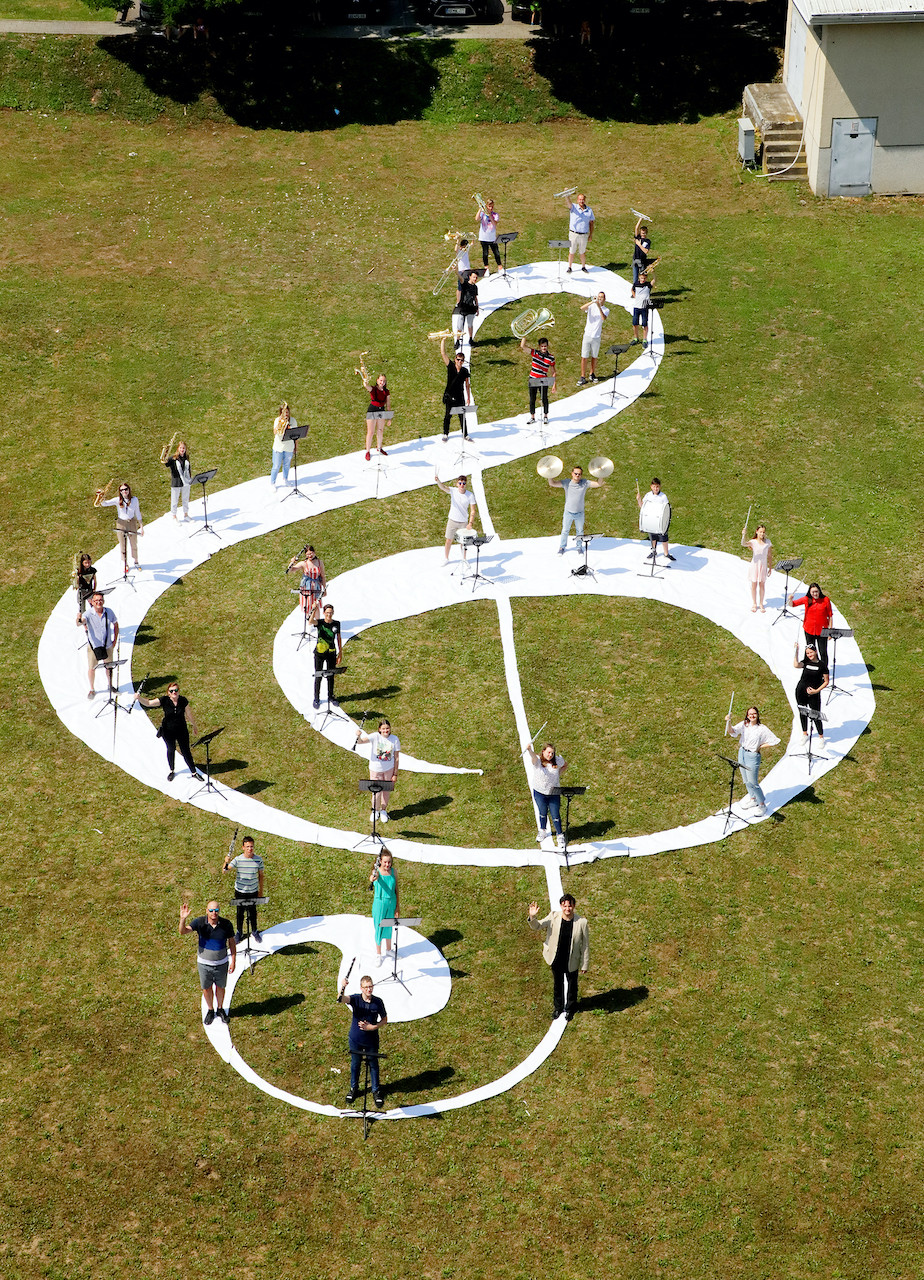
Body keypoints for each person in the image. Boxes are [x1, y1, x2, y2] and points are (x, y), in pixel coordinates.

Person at [527, 894, 590, 1021]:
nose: (567, 909)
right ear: (561, 906)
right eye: (565, 906)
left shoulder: (582, 922)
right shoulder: (553, 916)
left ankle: (571, 1008)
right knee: (558, 984)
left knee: (572, 985)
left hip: (572, 959)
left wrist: (585, 964)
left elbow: (585, 945)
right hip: (556, 957)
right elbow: (537, 926)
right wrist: (532, 917)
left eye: (570, 906)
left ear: (574, 906)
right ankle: (558, 1008)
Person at [179, 899, 236, 1026]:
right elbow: (182, 931)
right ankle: (210, 1010)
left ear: (219, 911)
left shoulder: (226, 924)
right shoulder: (199, 922)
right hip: (204, 964)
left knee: (221, 987)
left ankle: (220, 1009)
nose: (214, 913)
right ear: (207, 911)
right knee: (206, 988)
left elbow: (232, 942)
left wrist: (233, 960)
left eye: (216, 910)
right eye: (211, 910)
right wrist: (183, 919)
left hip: (222, 963)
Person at [134, 680, 203, 782]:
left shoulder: (183, 700)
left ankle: (194, 772)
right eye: (171, 691)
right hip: (168, 731)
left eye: (176, 690)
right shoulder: (164, 700)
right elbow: (148, 703)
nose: (174, 692)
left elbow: (189, 714)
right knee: (171, 749)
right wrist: (139, 698)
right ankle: (172, 770)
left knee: (186, 751)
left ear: (178, 691)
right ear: (168, 693)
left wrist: (194, 725)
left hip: (181, 730)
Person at [339, 973, 387, 1107]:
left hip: (371, 1040)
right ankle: (353, 1089)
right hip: (355, 1040)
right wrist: (343, 987)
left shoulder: (378, 1002)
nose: (369, 989)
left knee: (373, 1064)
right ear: (361, 988)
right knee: (355, 1064)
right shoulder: (355, 999)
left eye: (370, 986)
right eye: (366, 987)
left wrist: (373, 1027)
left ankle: (376, 1091)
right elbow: (341, 999)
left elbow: (384, 1020)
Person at [725, 705, 781, 816]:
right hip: (742, 753)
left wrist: (760, 746)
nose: (752, 715)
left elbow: (775, 740)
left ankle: (762, 805)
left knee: (753, 782)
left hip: (753, 756)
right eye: (750, 714)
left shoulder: (762, 728)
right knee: (746, 780)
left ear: (757, 715)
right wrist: (728, 721)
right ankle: (753, 799)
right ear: (747, 715)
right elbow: (732, 731)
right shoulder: (744, 725)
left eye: (754, 713)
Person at [548, 464, 605, 555]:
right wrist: (549, 474)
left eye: (579, 474)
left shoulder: (584, 483)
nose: (577, 475)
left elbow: (599, 484)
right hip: (568, 512)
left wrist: (601, 474)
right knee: (565, 530)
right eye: (576, 473)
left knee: (580, 531)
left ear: (581, 475)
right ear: (572, 473)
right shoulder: (567, 483)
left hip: (579, 513)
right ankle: (562, 547)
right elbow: (552, 483)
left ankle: (579, 547)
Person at [355, 718, 400, 823]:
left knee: (386, 791)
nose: (385, 730)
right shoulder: (375, 736)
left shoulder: (394, 739)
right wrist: (358, 736)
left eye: (387, 728)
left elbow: (396, 757)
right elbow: (360, 742)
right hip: (375, 770)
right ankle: (375, 811)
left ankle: (383, 810)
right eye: (383, 729)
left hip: (389, 770)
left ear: (390, 729)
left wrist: (395, 774)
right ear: (379, 729)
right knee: (376, 792)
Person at [223, 835, 265, 943]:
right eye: (247, 847)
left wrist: (260, 891)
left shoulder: (258, 860)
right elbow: (225, 871)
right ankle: (239, 932)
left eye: (251, 846)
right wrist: (226, 862)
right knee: (240, 913)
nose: (250, 849)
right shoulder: (238, 859)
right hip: (240, 892)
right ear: (243, 847)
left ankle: (254, 931)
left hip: (253, 891)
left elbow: (261, 876)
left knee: (252, 912)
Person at [526, 740, 568, 848]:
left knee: (555, 815)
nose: (550, 755)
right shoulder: (538, 761)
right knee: (542, 812)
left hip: (554, 792)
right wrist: (529, 750)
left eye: (552, 753)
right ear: (543, 751)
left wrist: (558, 774)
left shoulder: (557, 761)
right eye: (548, 752)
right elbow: (533, 757)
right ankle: (543, 831)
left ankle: (560, 835)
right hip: (540, 792)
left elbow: (565, 765)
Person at [78, 590, 119, 699]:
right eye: (96, 600)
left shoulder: (109, 612)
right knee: (92, 668)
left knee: (109, 667)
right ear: (92, 602)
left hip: (107, 645)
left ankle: (110, 685)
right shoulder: (88, 614)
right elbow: (80, 622)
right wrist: (78, 619)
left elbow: (116, 625)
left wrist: (114, 641)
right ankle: (92, 689)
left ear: (103, 601)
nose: (98, 602)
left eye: (100, 600)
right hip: (93, 647)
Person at [97, 482, 143, 573]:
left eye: (126, 489)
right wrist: (100, 496)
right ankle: (125, 564)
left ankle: (136, 561)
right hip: (121, 523)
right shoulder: (117, 500)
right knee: (123, 544)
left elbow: (137, 512)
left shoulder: (134, 500)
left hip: (131, 522)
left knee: (134, 543)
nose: (124, 491)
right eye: (122, 490)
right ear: (120, 492)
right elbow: (104, 504)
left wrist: (141, 526)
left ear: (129, 490)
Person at [434, 469, 477, 566]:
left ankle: (464, 559)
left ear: (466, 484)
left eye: (464, 483)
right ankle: (446, 558)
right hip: (452, 521)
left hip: (463, 522)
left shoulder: (470, 495)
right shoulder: (453, 491)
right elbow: (443, 487)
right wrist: (438, 481)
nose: (462, 485)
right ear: (457, 484)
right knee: (448, 540)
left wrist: (470, 523)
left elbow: (473, 510)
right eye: (460, 483)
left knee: (463, 543)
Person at [368, 848, 400, 964]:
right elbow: (373, 877)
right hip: (379, 903)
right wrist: (373, 877)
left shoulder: (394, 872)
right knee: (379, 927)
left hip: (391, 902)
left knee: (389, 926)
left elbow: (396, 889)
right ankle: (378, 954)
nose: (387, 864)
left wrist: (397, 907)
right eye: (385, 862)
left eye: (389, 862)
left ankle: (388, 950)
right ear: (380, 861)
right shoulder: (377, 872)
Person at [789, 582, 834, 663]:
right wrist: (790, 599)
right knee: (810, 651)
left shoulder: (825, 600)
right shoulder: (806, 599)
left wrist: (830, 631)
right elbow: (792, 604)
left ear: (819, 591)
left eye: (816, 591)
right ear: (810, 592)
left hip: (822, 631)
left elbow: (830, 616)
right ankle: (810, 666)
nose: (815, 594)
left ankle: (824, 669)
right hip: (809, 630)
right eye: (813, 592)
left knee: (823, 652)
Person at [439, 336, 472, 442]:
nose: (459, 362)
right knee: (448, 415)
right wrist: (443, 340)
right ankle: (445, 434)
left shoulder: (465, 371)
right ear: (455, 359)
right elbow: (443, 353)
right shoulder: (451, 367)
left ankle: (465, 434)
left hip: (460, 396)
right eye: (458, 359)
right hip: (450, 395)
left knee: (462, 416)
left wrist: (468, 397)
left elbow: (467, 385)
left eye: (461, 360)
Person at [794, 641, 829, 741]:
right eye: (807, 653)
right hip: (801, 690)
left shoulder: (822, 665)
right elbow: (796, 665)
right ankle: (805, 733)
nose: (809, 655)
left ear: (816, 651)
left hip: (814, 693)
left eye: (811, 652)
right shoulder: (806, 662)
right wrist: (796, 651)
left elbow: (826, 681)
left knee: (816, 714)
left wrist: (816, 691)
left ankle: (821, 737)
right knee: (802, 712)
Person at [285, 544, 327, 628]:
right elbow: (291, 570)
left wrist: (324, 589)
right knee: (308, 605)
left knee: (316, 605)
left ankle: (318, 623)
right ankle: (310, 623)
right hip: (306, 587)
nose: (310, 556)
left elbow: (322, 576)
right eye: (307, 554)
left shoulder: (319, 562)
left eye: (311, 553)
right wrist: (292, 562)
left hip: (316, 586)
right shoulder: (304, 563)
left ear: (314, 552)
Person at [312, 602, 343, 710]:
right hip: (319, 653)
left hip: (331, 653)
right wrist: (314, 609)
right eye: (327, 612)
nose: (329, 615)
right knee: (318, 676)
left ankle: (331, 696)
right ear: (324, 613)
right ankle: (316, 698)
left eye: (331, 612)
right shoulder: (320, 623)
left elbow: (338, 638)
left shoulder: (336, 624)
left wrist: (340, 653)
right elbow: (311, 621)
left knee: (331, 675)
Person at [521, 334, 556, 425]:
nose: (544, 348)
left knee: (544, 398)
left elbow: (553, 371)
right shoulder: (535, 353)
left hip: (543, 379)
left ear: (547, 346)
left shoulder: (551, 357)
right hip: (533, 378)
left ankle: (545, 416)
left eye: (545, 346)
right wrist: (524, 336)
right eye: (542, 346)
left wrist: (554, 384)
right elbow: (523, 346)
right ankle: (532, 417)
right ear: (539, 346)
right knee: (532, 399)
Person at [637, 476, 674, 562]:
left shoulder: (663, 496)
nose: (656, 488)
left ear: (659, 487)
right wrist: (639, 499)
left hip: (660, 521)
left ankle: (666, 553)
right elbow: (642, 506)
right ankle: (654, 551)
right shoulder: (648, 495)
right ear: (651, 487)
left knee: (664, 537)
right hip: (652, 520)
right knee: (653, 536)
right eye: (654, 486)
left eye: (657, 486)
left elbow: (667, 509)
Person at [577, 292, 609, 385]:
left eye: (601, 297)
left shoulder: (606, 309)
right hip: (587, 334)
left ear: (604, 299)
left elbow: (603, 318)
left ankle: (592, 373)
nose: (600, 298)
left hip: (596, 336)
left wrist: (599, 307)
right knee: (584, 356)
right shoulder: (591, 306)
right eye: (599, 297)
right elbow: (582, 308)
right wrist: (592, 302)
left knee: (594, 356)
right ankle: (582, 376)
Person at [741, 522, 774, 612]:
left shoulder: (768, 542)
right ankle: (754, 603)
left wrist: (770, 567)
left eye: (763, 532)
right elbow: (743, 544)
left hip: (763, 565)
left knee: (762, 585)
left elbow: (769, 555)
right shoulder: (753, 542)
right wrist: (743, 535)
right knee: (754, 584)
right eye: (760, 532)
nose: (762, 534)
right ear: (757, 532)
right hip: (755, 566)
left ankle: (761, 603)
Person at [360, 369, 391, 462]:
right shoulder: (373, 389)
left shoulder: (386, 392)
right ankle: (368, 451)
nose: (382, 382)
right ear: (377, 380)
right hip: (372, 411)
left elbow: (388, 405)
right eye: (381, 380)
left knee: (380, 430)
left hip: (381, 411)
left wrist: (389, 418)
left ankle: (379, 448)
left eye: (384, 381)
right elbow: (366, 386)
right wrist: (365, 381)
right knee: (370, 432)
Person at [562, 192, 595, 273]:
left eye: (583, 199)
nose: (581, 201)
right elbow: (568, 203)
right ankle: (569, 267)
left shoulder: (589, 210)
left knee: (582, 252)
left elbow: (591, 223)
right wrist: (567, 195)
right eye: (580, 199)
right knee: (572, 251)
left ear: (585, 200)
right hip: (574, 234)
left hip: (584, 235)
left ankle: (583, 267)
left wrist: (590, 235)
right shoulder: (574, 207)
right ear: (577, 200)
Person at [270, 401, 297, 488]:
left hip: (289, 447)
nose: (286, 414)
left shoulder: (293, 420)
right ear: (281, 413)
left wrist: (296, 447)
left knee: (287, 465)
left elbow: (296, 435)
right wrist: (280, 424)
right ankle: (273, 483)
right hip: (279, 447)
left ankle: (285, 479)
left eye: (287, 412)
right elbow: (275, 432)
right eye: (284, 412)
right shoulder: (277, 420)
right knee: (276, 466)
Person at [165, 440, 192, 521]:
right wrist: (165, 453)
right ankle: (174, 516)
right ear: (178, 448)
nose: (182, 449)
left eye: (183, 448)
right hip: (176, 482)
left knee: (185, 499)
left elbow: (188, 469)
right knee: (175, 500)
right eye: (180, 448)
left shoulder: (186, 458)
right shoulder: (173, 458)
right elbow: (166, 463)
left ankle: (186, 515)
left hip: (186, 482)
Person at [453, 270, 480, 348]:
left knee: (470, 325)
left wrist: (477, 308)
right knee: (459, 326)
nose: (475, 279)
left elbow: (475, 297)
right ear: (470, 277)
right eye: (474, 277)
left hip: (471, 308)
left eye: (476, 277)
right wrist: (456, 272)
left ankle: (470, 339)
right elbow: (460, 278)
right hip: (463, 308)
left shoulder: (475, 287)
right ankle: (457, 341)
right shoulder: (465, 284)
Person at [477, 197, 501, 274]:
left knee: (496, 252)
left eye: (492, 206)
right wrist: (480, 209)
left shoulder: (495, 215)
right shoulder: (482, 214)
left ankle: (500, 267)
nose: (491, 208)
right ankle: (486, 269)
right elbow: (477, 219)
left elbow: (494, 223)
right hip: (483, 237)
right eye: (489, 206)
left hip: (492, 237)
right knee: (485, 253)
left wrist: (490, 215)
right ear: (486, 206)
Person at [72, 552, 97, 623]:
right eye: (85, 563)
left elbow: (95, 580)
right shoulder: (79, 572)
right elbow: (76, 584)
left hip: (89, 590)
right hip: (82, 591)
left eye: (89, 562)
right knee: (82, 608)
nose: (87, 564)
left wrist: (94, 589)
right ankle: (85, 622)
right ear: (82, 563)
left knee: (94, 605)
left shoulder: (93, 570)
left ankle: (95, 619)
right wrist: (76, 578)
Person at [631, 270, 651, 347]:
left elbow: (655, 280)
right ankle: (636, 338)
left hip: (644, 307)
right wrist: (634, 295)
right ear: (639, 277)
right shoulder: (636, 284)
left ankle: (645, 339)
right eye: (642, 278)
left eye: (644, 278)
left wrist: (653, 273)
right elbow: (632, 289)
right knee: (635, 323)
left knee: (644, 324)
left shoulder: (648, 285)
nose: (643, 280)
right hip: (636, 307)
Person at [632, 216, 652, 285]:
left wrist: (639, 244)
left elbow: (646, 251)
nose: (643, 234)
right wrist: (641, 219)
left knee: (642, 276)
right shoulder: (638, 237)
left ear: (646, 233)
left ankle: (642, 287)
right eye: (642, 233)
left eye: (644, 233)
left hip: (642, 261)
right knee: (635, 277)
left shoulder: (647, 241)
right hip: (635, 259)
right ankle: (635, 288)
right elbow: (636, 228)